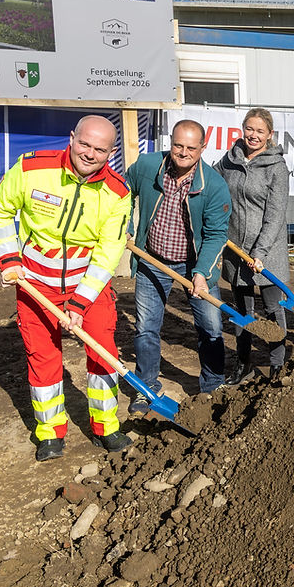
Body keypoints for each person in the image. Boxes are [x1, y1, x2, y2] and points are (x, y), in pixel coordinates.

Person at [0, 115, 133, 460]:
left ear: (110, 153)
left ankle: (106, 426)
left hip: (88, 286)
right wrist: (9, 259)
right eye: (84, 144)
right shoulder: (32, 168)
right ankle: (50, 432)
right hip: (35, 282)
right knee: (43, 358)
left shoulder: (117, 193)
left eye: (99, 149)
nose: (89, 154)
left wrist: (79, 304)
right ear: (71, 138)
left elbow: (108, 252)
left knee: (104, 355)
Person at [125, 119, 231, 405]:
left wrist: (201, 274)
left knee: (211, 327)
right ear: (169, 142)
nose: (183, 152)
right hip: (153, 260)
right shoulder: (147, 167)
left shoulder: (214, 186)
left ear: (203, 148)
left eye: (191, 148)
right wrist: (125, 225)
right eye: (177, 145)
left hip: (194, 263)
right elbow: (122, 192)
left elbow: (215, 235)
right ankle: (146, 387)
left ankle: (212, 386)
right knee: (146, 326)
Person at [215, 108, 290, 384]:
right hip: (236, 250)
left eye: (260, 131)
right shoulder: (230, 159)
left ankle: (277, 366)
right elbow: (213, 183)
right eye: (249, 129)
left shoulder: (276, 167)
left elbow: (275, 216)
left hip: (266, 253)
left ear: (269, 135)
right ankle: (244, 364)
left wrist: (258, 253)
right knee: (241, 311)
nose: (253, 135)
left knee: (273, 310)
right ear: (242, 129)